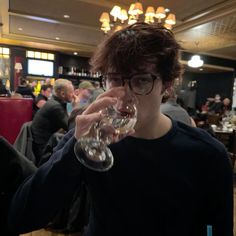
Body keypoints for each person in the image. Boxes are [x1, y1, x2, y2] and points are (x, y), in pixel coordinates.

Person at [8, 23, 233, 236]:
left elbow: (214, 229)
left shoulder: (207, 154)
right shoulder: (90, 140)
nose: (124, 94)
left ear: (167, 85)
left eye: (141, 80)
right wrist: (75, 147)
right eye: (115, 79)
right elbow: (23, 216)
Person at [31, 79, 74, 166]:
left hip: (42, 143)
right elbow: (71, 128)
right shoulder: (55, 107)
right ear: (62, 94)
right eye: (72, 92)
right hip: (44, 149)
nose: (74, 95)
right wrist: (76, 106)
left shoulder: (54, 102)